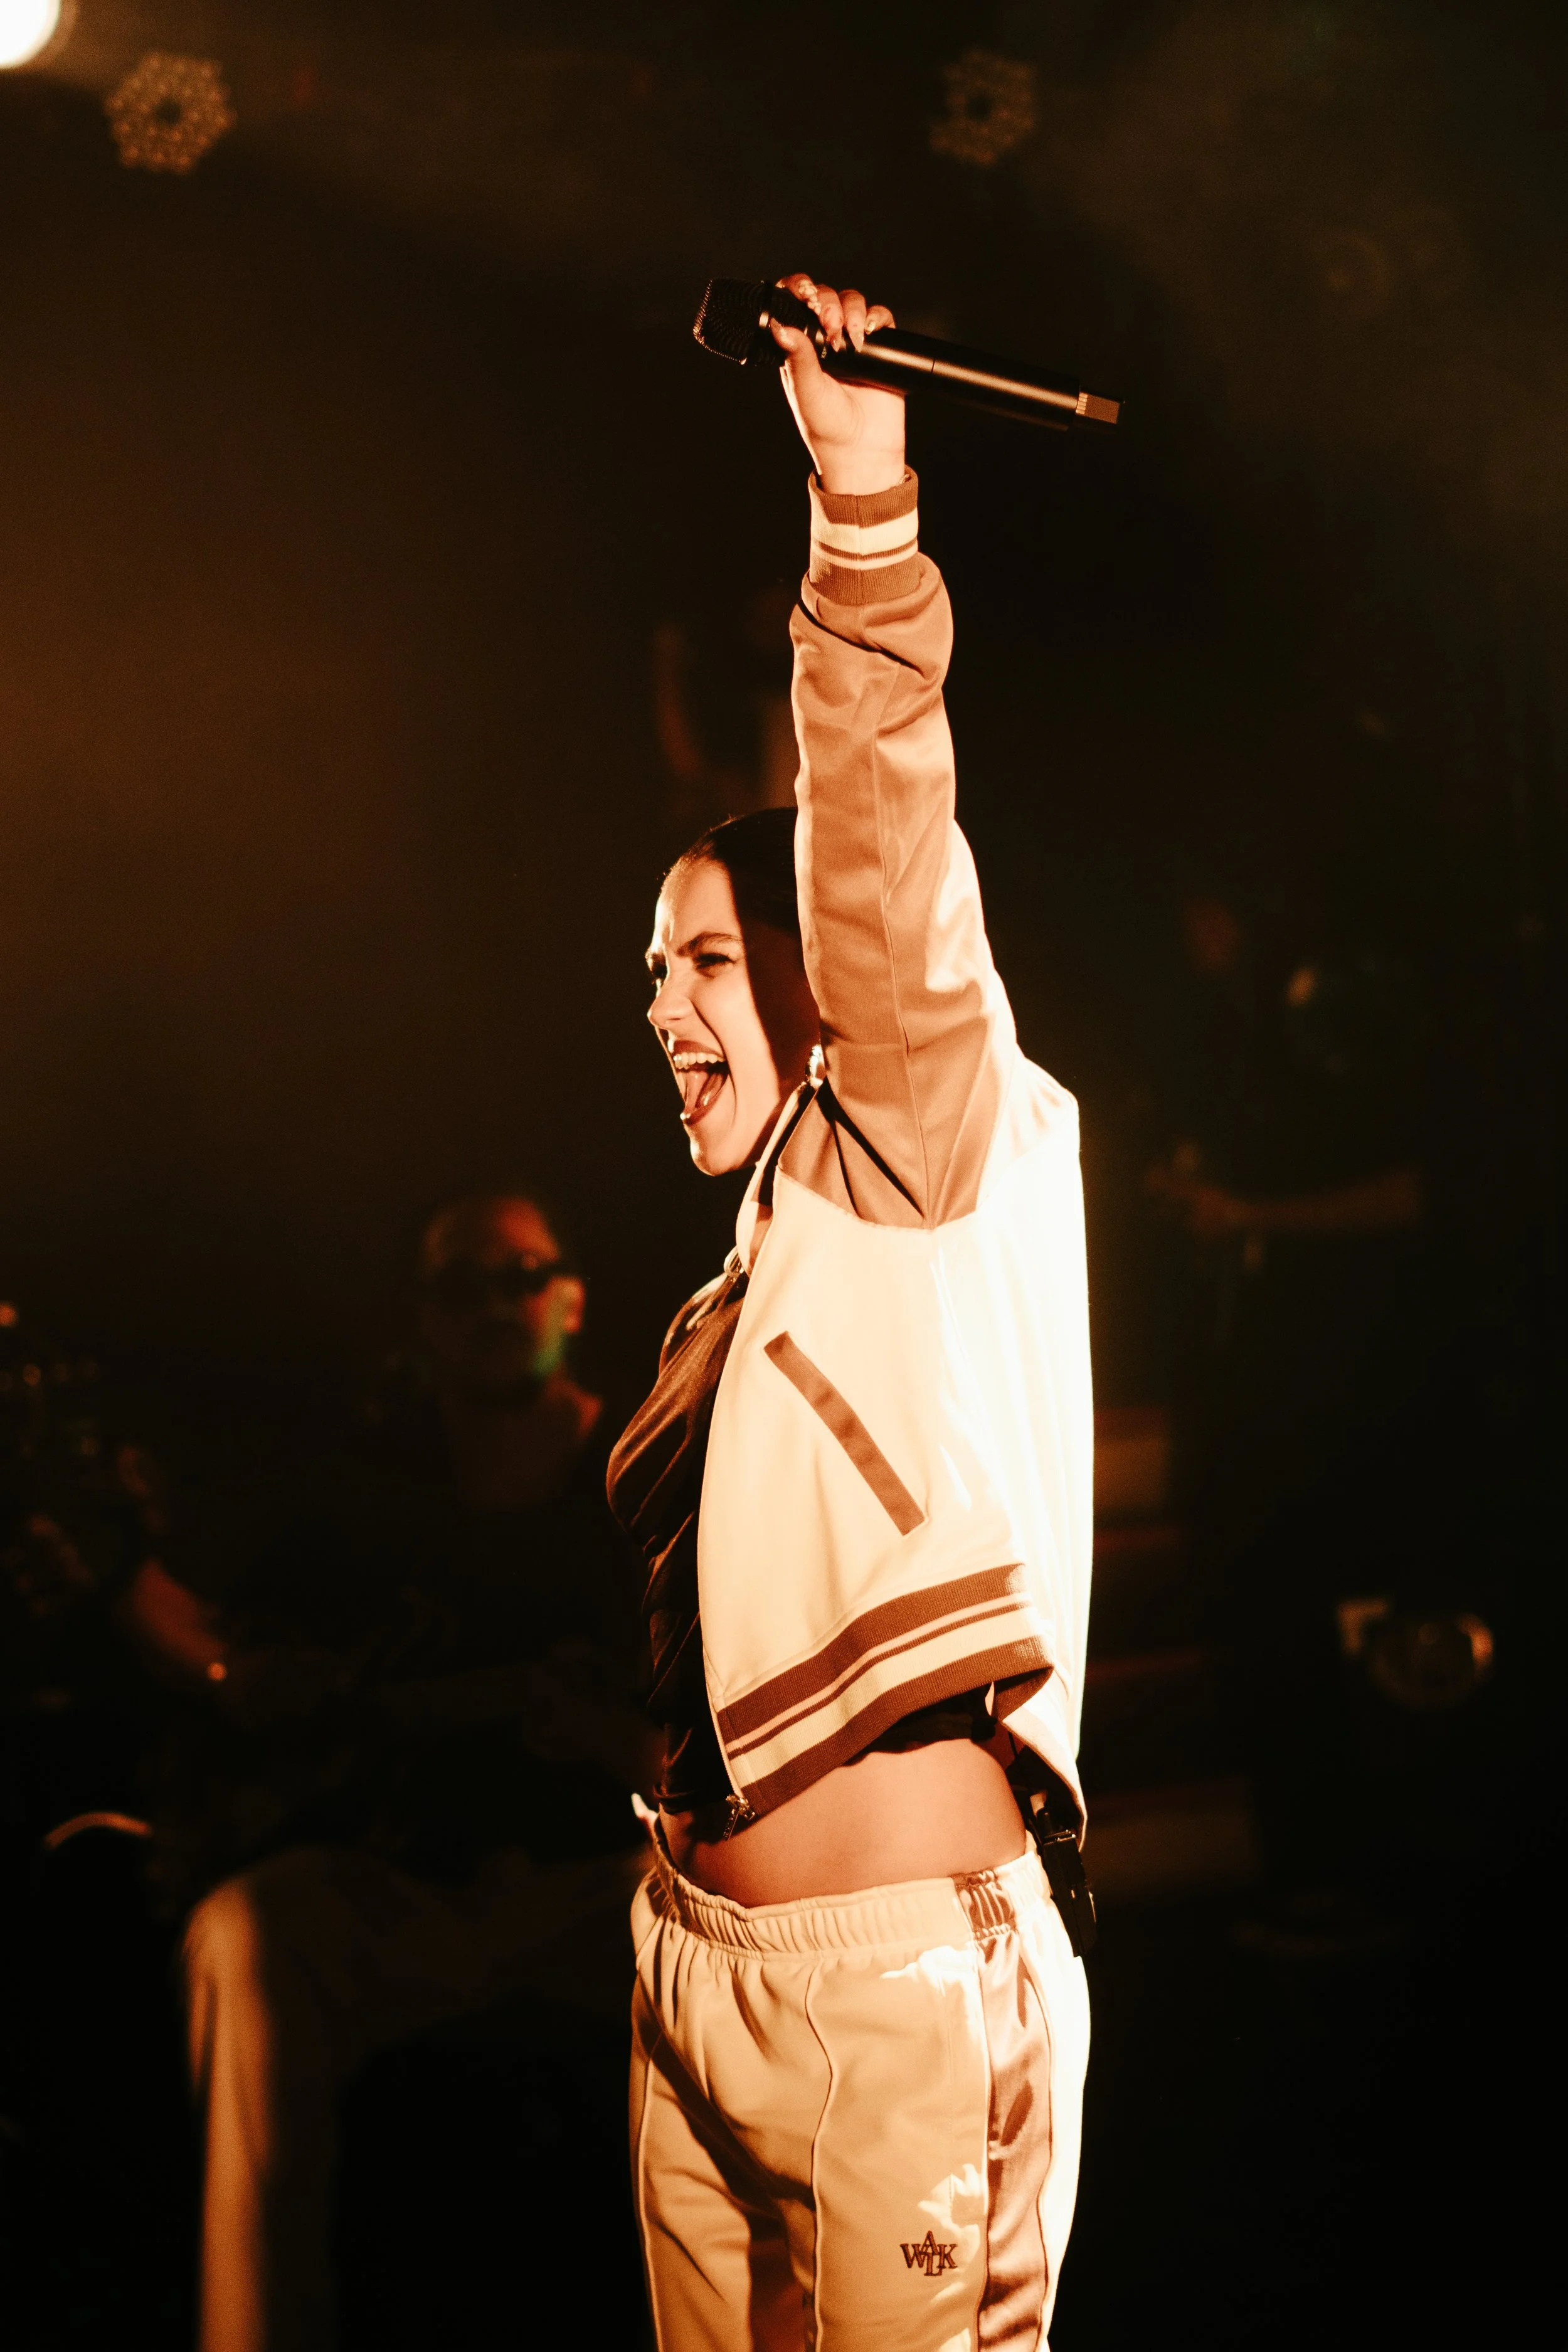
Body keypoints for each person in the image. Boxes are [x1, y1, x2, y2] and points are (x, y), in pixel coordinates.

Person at [608, 275, 1094, 2350]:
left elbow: (881, 832)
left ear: (824, 993)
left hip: (899, 1994)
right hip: (687, 1979)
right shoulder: (731, 1297)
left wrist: (861, 499)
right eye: (650, 973)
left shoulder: (903, 1141)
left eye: (707, 959)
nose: (659, 1006)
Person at [124, 1193, 654, 2352]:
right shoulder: (366, 1475)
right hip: (404, 1895)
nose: (494, 1305)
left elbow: (717, 1739)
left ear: (570, 1297)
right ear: (422, 1321)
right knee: (244, 1932)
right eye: (461, 1286)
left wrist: (616, 1742)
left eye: (521, 1274)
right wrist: (228, 1677)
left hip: (601, 1892)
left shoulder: (642, 1477)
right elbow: (157, 1594)